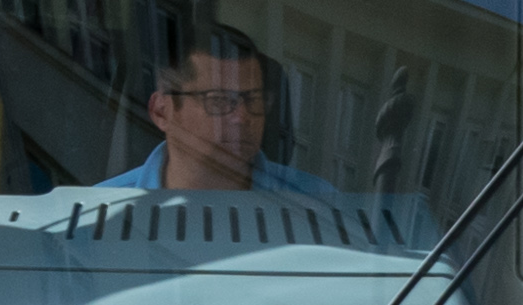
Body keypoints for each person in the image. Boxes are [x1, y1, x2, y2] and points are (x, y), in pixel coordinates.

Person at [91, 27, 339, 196]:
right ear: (162, 112)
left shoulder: (319, 203)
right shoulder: (96, 214)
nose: (242, 117)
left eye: (254, 99)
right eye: (219, 101)